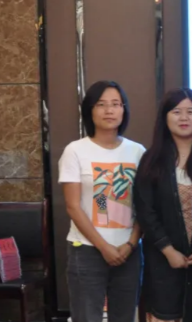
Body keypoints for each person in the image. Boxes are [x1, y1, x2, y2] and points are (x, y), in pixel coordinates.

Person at [59, 80, 145, 322]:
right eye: (101, 104)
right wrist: (104, 247)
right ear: (90, 110)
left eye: (116, 104)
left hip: (128, 252)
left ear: (124, 110)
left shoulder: (137, 152)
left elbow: (144, 206)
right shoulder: (75, 150)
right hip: (86, 250)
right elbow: (73, 206)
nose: (109, 110)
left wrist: (131, 244)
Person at [135, 88, 192, 322]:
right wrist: (168, 250)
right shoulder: (151, 160)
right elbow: (145, 210)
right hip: (162, 259)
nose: (184, 117)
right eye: (176, 112)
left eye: (191, 111)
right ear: (165, 117)